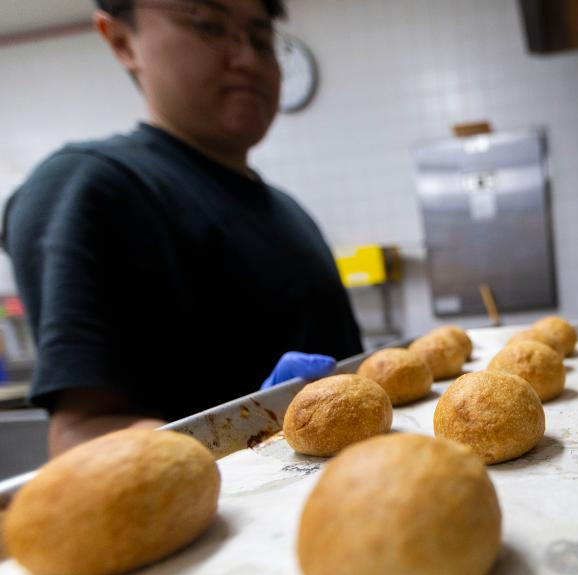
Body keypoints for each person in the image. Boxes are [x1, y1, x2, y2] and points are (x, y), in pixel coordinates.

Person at [1, 0, 362, 457]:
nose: (247, 58)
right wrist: (245, 440)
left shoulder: (286, 209)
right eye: (208, 25)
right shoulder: (95, 187)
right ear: (121, 41)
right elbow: (83, 438)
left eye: (260, 37)